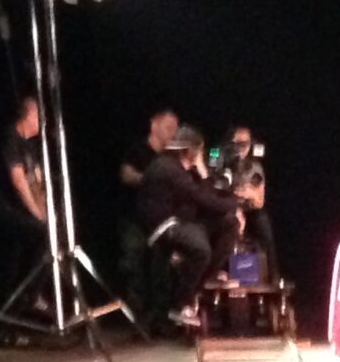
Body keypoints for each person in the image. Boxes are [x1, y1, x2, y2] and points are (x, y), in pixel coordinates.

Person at [135, 126, 244, 329]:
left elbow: (205, 195)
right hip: (163, 225)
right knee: (201, 249)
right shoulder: (168, 168)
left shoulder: (179, 169)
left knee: (230, 223)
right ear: (190, 151)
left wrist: (206, 177)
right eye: (199, 151)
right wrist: (235, 204)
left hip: (180, 220)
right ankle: (179, 305)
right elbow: (202, 198)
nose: (202, 155)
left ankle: (202, 282)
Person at [0, 91, 50, 309]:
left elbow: (37, 182)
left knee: (52, 233)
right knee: (42, 233)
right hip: (4, 210)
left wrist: (46, 211)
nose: (43, 121)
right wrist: (37, 213)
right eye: (40, 116)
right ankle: (27, 294)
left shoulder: (30, 145)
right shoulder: (10, 139)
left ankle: (30, 294)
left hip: (22, 211)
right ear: (30, 114)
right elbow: (19, 182)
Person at [116, 106, 178, 315]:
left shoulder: (172, 157)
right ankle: (136, 317)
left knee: (162, 269)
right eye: (168, 127)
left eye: (175, 128)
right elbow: (126, 174)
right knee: (134, 268)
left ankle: (161, 318)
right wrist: (151, 179)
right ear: (154, 125)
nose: (173, 132)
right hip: (135, 220)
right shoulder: (138, 151)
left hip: (161, 222)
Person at [223, 124, 277, 281]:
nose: (242, 148)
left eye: (245, 144)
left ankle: (273, 276)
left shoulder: (254, 167)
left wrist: (249, 195)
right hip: (225, 208)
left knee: (263, 224)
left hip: (249, 209)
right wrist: (237, 201)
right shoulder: (221, 164)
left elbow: (259, 201)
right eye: (237, 143)